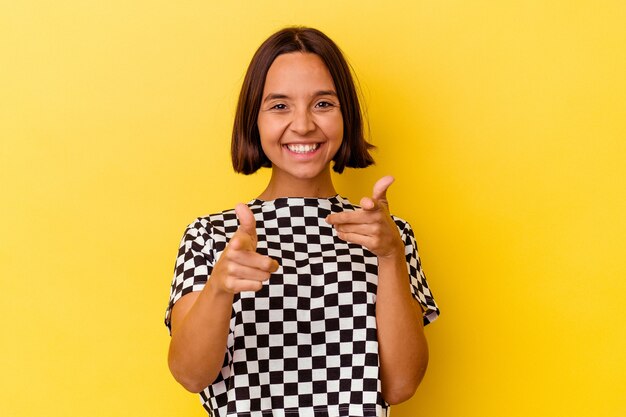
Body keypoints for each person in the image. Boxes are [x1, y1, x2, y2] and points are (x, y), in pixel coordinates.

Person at [164, 26, 439, 417]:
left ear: (346, 113)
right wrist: (221, 288)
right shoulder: (210, 236)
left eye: (323, 104)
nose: (304, 124)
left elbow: (400, 386)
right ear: (253, 121)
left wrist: (392, 257)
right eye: (279, 106)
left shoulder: (387, 236)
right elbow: (190, 375)